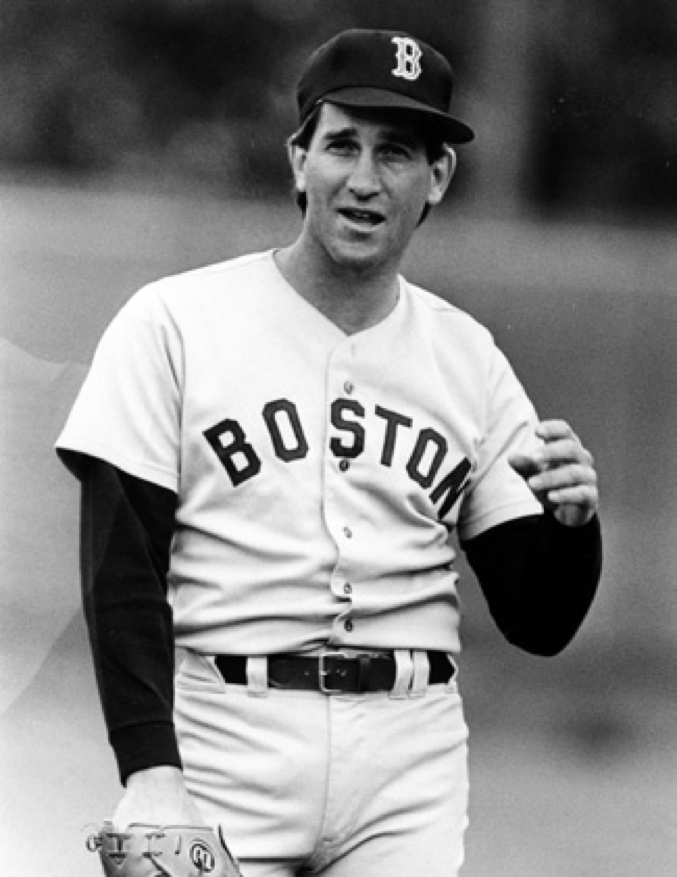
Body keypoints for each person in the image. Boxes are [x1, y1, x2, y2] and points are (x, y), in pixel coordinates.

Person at [56, 28, 602, 876]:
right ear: (297, 159)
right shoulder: (174, 322)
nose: (363, 178)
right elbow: (120, 565)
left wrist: (571, 527)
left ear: (437, 180)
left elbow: (538, 621)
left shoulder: (469, 359)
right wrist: (150, 772)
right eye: (341, 143)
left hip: (406, 759)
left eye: (396, 152)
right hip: (223, 738)